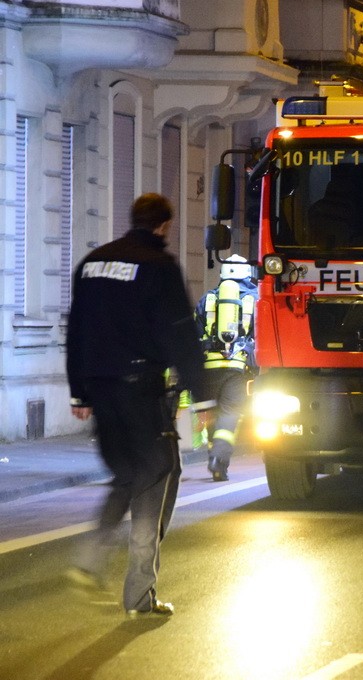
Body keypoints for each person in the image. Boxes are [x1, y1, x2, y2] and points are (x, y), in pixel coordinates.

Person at [65, 193, 214, 617]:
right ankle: (139, 593)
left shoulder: (91, 264)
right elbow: (180, 336)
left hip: (100, 388)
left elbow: (75, 329)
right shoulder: (158, 267)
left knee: (127, 474)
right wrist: (202, 395)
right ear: (164, 226)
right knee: (161, 471)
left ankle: (90, 558)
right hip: (141, 389)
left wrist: (79, 391)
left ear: (133, 219)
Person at [195, 254, 257, 481]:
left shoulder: (208, 299)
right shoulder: (254, 298)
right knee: (230, 414)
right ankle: (218, 460)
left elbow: (196, 333)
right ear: (247, 274)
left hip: (209, 368)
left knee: (213, 413)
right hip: (237, 368)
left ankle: (217, 461)